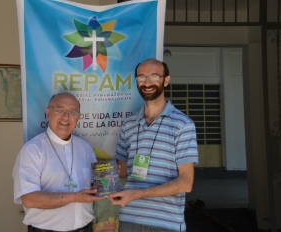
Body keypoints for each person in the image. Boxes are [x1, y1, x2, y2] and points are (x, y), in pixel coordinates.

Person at [108, 59, 198, 232]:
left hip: (165, 222)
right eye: (141, 77)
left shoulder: (183, 124)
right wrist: (98, 177)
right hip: (129, 219)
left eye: (154, 76)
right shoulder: (129, 124)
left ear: (166, 80)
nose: (147, 82)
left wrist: (136, 194)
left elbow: (186, 182)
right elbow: (122, 171)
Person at [13, 92, 104, 232]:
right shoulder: (32, 150)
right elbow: (29, 199)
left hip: (85, 228)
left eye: (72, 112)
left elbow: (96, 185)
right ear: (48, 113)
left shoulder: (85, 148)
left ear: (78, 118)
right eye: (60, 110)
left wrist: (109, 185)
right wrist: (74, 197)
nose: (66, 117)